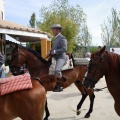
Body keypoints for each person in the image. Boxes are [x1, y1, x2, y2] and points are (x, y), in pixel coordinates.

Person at [45, 24, 68, 92]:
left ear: (57, 30)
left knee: (57, 70)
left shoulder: (62, 38)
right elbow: (54, 49)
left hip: (61, 57)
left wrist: (54, 51)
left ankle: (59, 86)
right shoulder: (56, 38)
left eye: (53, 30)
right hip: (55, 57)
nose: (52, 31)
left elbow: (64, 49)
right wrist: (50, 51)